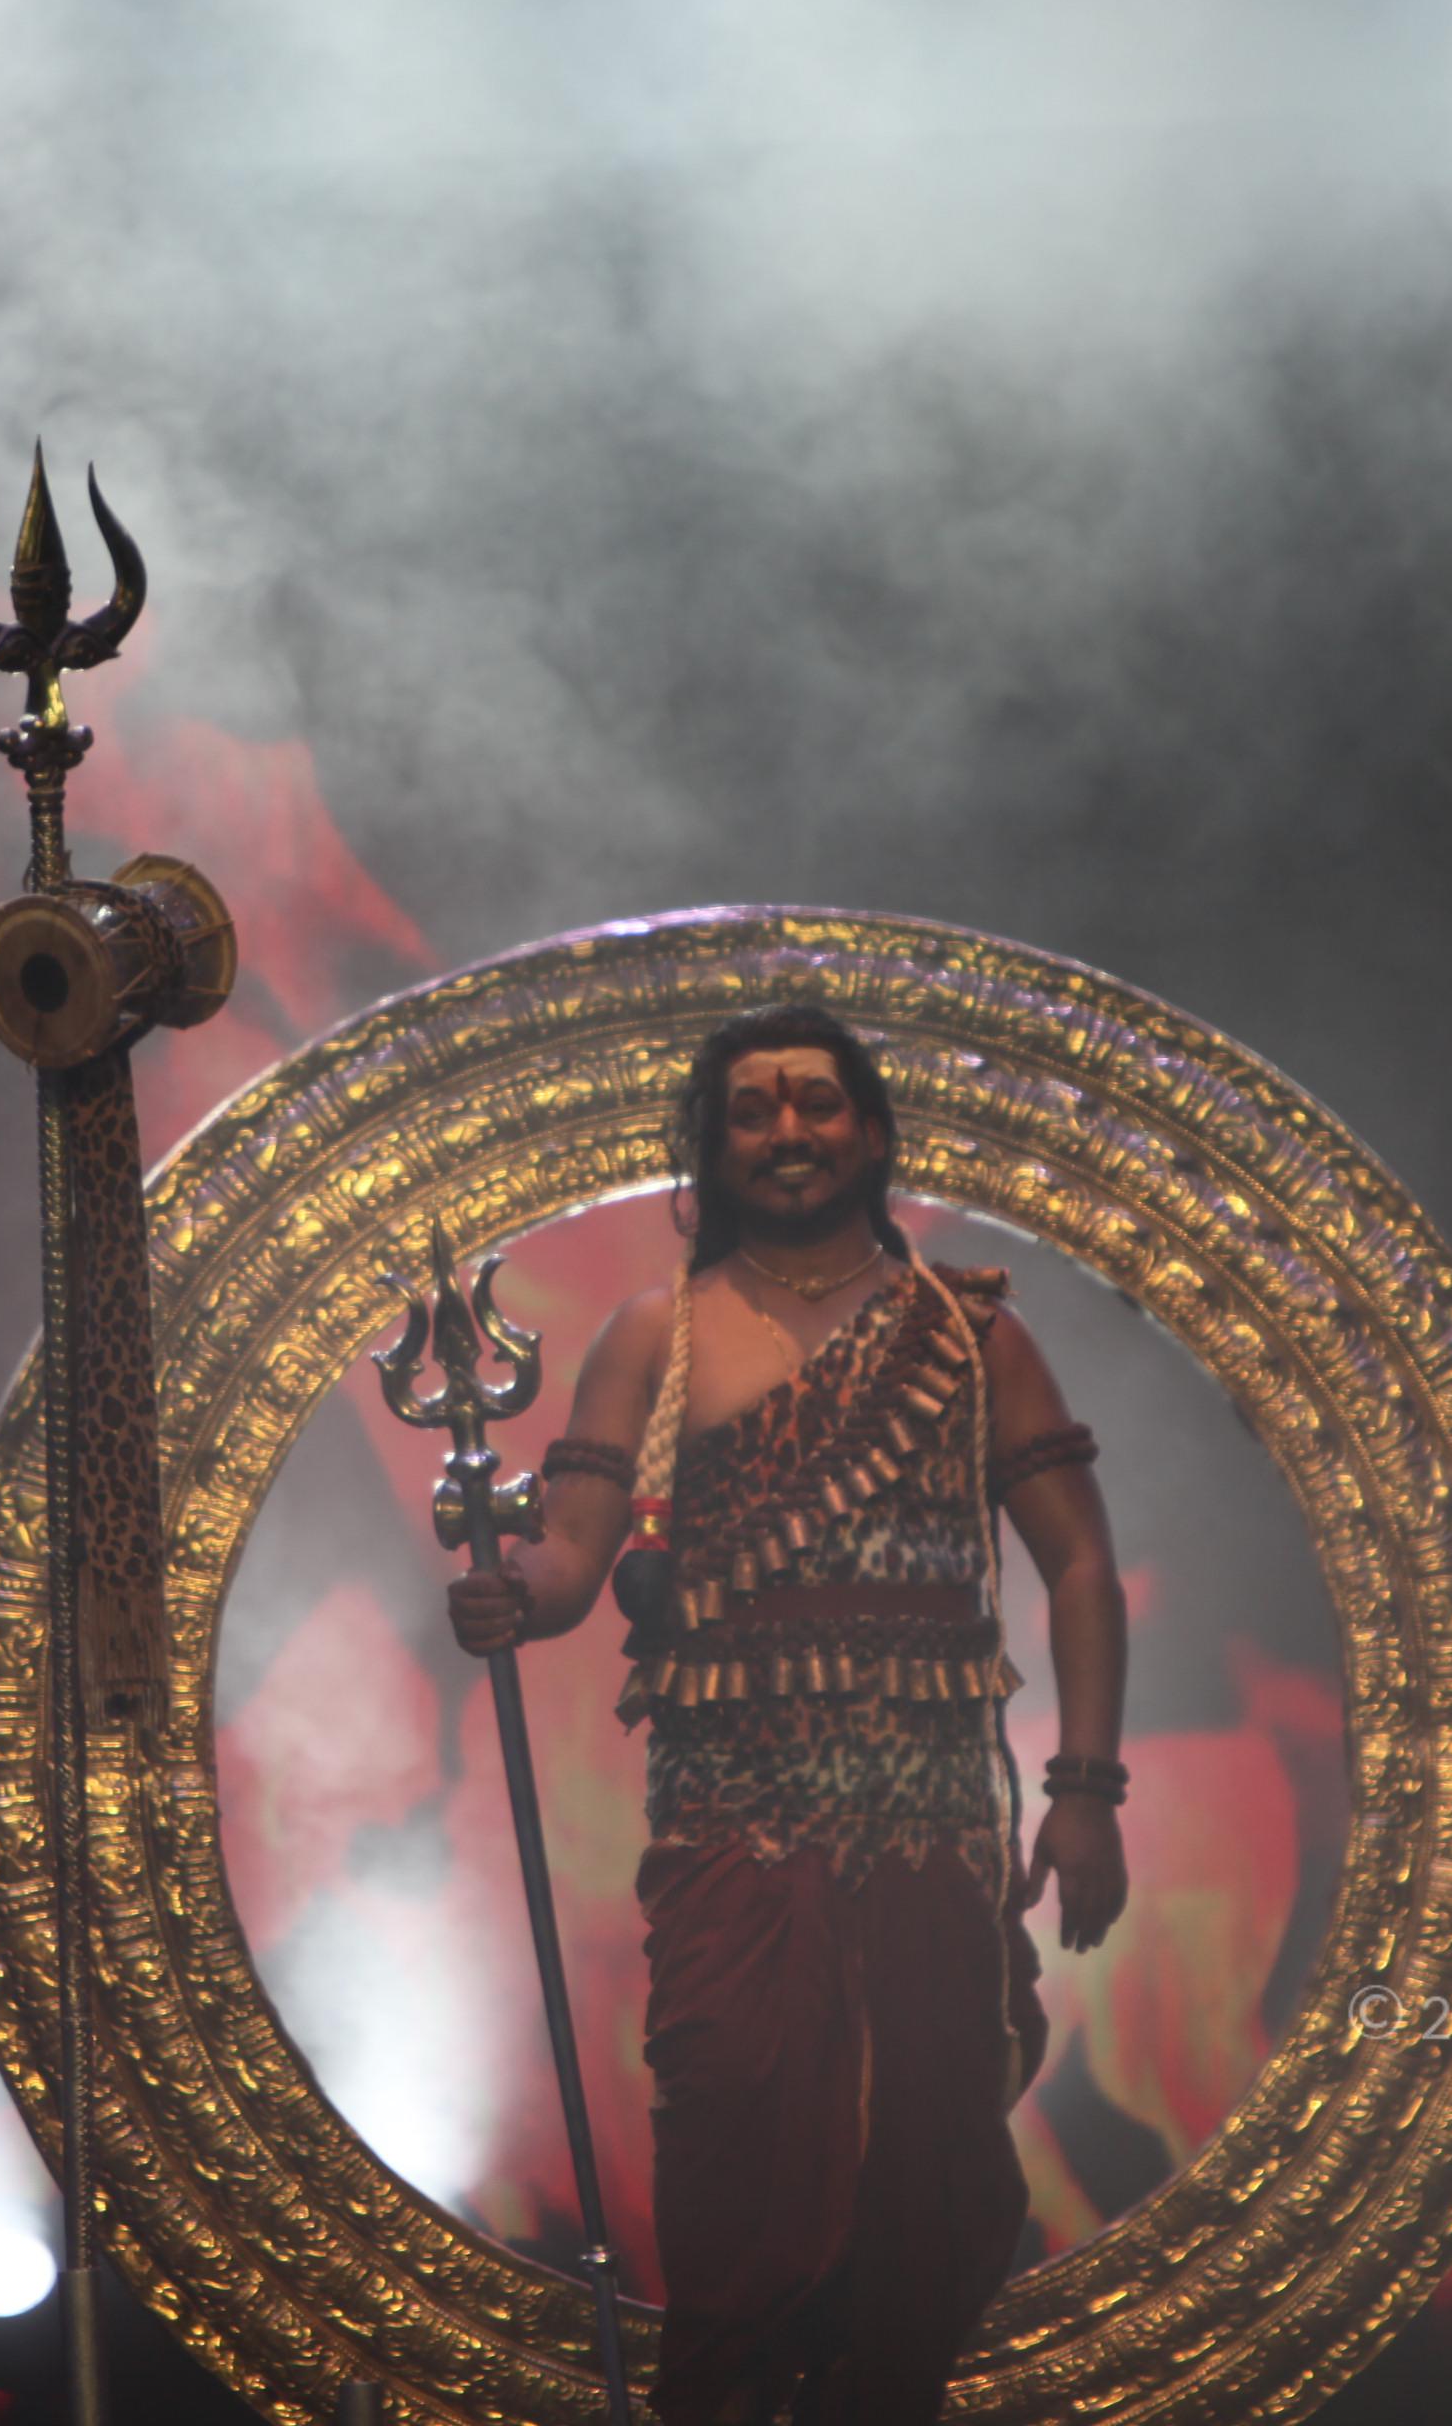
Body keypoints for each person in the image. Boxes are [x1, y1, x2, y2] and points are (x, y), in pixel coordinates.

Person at [446, 1002, 1131, 2426]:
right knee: (735, 2128)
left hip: (935, 1823)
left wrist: (1084, 1791)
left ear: (871, 1133)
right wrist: (515, 1592)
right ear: (713, 1148)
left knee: (929, 2175)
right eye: (751, 1110)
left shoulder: (971, 1335)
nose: (788, 1130)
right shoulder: (657, 1334)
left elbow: (1078, 1561)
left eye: (816, 1102)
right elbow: (572, 1555)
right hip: (733, 1820)